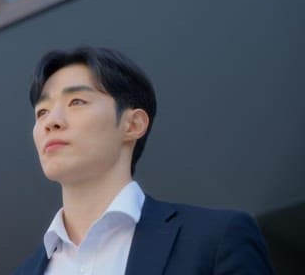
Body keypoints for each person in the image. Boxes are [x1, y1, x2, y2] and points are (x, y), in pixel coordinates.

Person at [14, 46, 274, 275]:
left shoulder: (215, 240)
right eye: (42, 111)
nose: (51, 121)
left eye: (77, 101)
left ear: (133, 124)